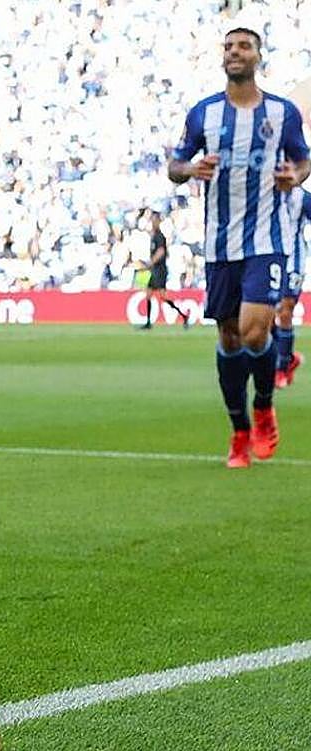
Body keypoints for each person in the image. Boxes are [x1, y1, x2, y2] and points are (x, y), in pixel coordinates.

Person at [167, 28, 309, 468]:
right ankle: (239, 430)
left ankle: (264, 405)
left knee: (253, 330)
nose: (234, 52)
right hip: (219, 244)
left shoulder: (282, 113)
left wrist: (297, 177)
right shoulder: (203, 114)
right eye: (228, 46)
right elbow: (174, 166)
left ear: (258, 56)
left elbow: (304, 158)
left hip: (267, 239)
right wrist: (191, 168)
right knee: (229, 337)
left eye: (243, 46)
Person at [275, 184, 309, 388]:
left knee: (285, 310)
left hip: (294, 261)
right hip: (269, 257)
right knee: (266, 314)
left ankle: (281, 369)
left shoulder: (303, 197)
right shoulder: (267, 191)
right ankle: (287, 357)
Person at [138, 212, 190, 330]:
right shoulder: (154, 236)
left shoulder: (159, 236)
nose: (153, 223)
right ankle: (148, 322)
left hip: (160, 270)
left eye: (154, 220)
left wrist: (150, 263)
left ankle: (183, 315)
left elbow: (161, 251)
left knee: (163, 296)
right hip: (155, 269)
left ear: (158, 222)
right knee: (149, 294)